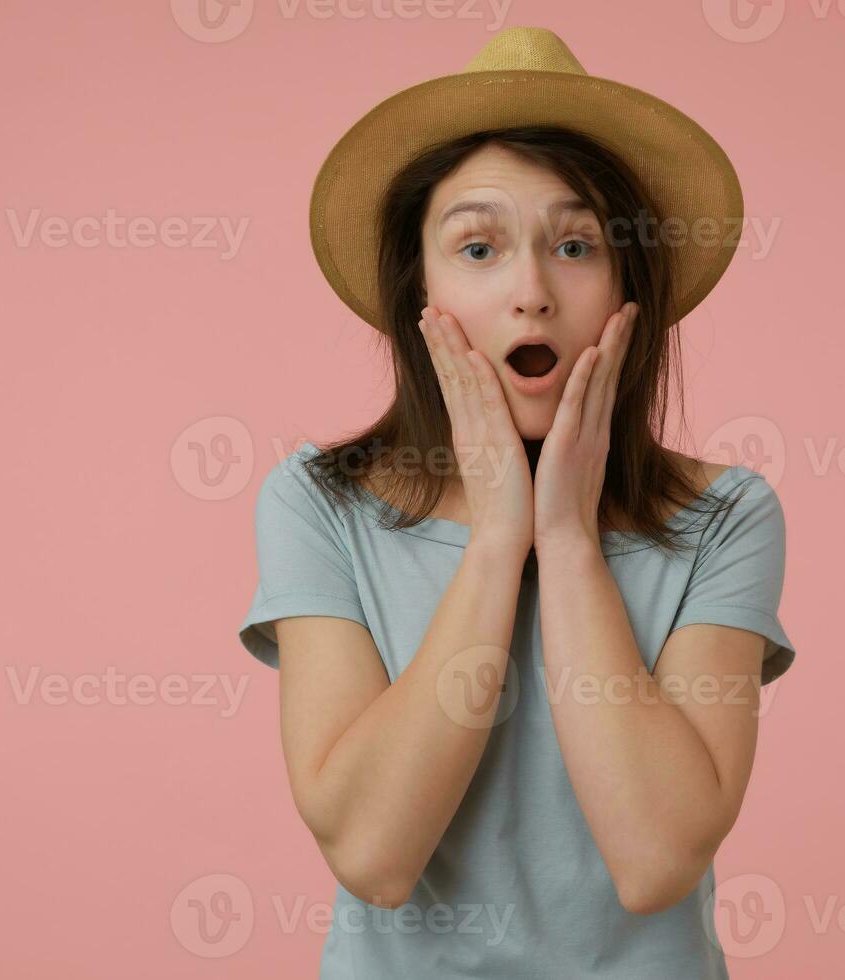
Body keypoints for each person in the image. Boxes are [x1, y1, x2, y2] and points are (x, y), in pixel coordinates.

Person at [239, 26, 796, 979]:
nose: (532, 292)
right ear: (421, 290)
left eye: (575, 244)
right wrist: (498, 536)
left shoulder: (726, 516)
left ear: (632, 288)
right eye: (480, 247)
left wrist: (569, 541)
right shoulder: (318, 503)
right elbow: (374, 855)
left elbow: (658, 857)